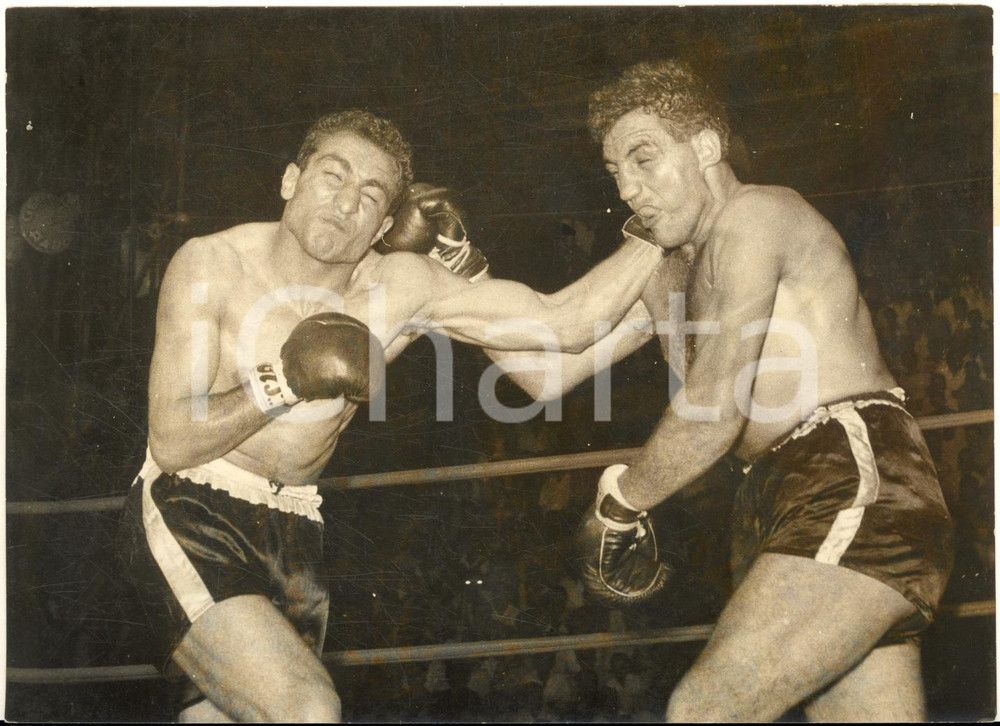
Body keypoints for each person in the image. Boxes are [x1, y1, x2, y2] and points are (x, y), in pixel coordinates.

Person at [115, 108, 665, 723]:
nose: (346, 203)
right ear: (291, 180)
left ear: (383, 224)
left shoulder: (402, 285)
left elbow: (557, 337)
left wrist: (655, 234)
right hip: (190, 508)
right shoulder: (211, 264)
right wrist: (283, 381)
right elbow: (172, 439)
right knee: (307, 709)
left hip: (297, 525)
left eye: (370, 194)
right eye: (333, 175)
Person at [502, 60, 954, 721]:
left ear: (707, 147)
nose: (627, 188)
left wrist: (620, 504)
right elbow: (545, 371)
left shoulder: (760, 214)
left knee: (704, 710)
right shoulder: (669, 274)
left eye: (644, 159)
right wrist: (455, 275)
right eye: (615, 172)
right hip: (776, 499)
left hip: (849, 474)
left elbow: (715, 408)